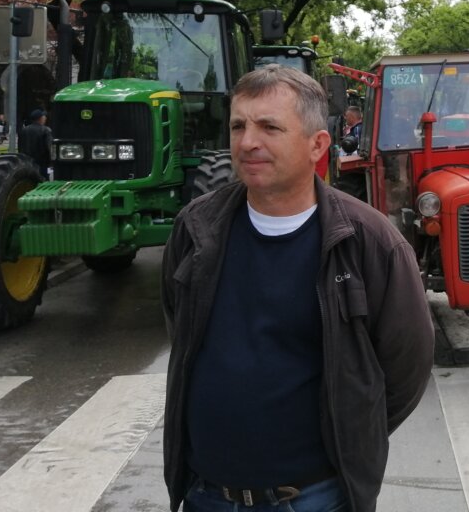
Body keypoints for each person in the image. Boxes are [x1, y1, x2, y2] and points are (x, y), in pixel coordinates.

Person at [162, 65, 434, 512]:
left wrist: (353, 433)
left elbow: (408, 364)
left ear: (317, 145)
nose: (248, 141)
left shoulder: (370, 242)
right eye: (238, 125)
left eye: (269, 126)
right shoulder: (195, 228)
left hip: (314, 498)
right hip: (205, 494)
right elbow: (181, 328)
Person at [18, 108, 52, 178]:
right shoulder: (45, 130)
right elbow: (49, 147)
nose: (45, 118)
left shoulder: (24, 130)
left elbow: (20, 146)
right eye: (44, 116)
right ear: (40, 118)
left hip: (27, 163)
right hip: (42, 164)